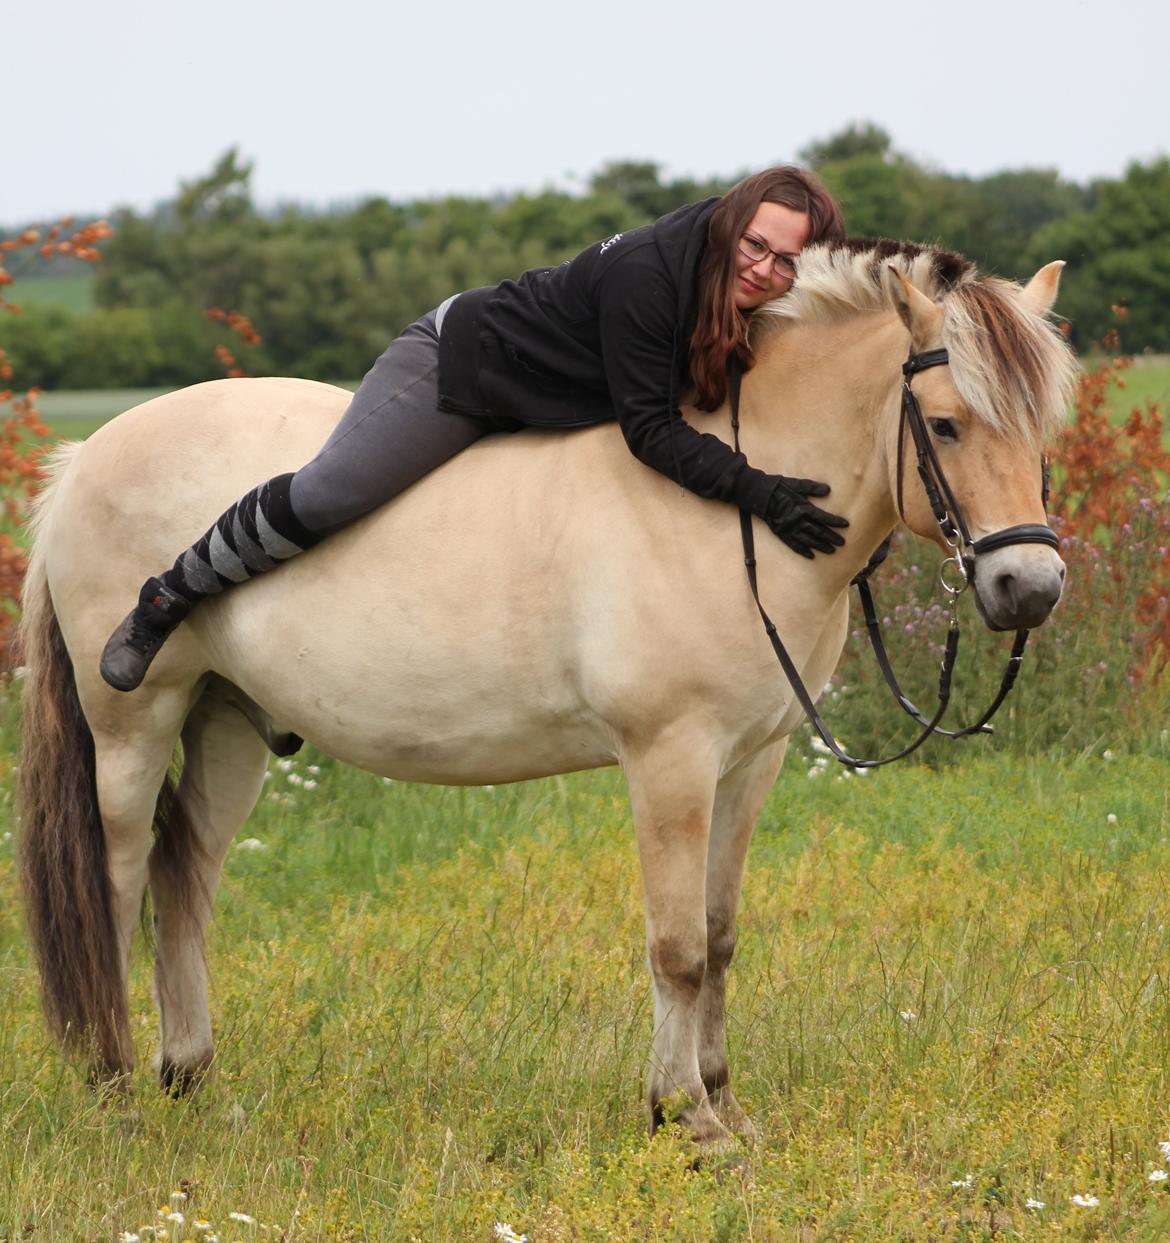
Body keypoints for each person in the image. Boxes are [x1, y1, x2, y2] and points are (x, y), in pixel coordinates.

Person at [100, 166, 849, 692]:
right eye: (756, 246)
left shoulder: (747, 285)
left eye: (787, 263)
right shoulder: (650, 276)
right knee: (333, 492)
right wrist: (760, 491)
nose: (765, 271)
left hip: (550, 400)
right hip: (466, 369)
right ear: (731, 223)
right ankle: (170, 596)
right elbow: (650, 430)